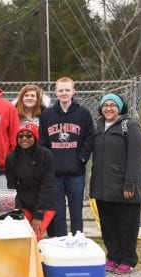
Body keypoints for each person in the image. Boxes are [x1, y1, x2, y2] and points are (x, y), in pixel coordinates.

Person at [90, 93, 141, 275]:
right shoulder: (98, 126)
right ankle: (113, 256)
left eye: (113, 105)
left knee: (127, 224)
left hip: (124, 186)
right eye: (105, 105)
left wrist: (129, 184)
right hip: (104, 186)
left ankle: (128, 259)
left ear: (120, 107)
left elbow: (135, 158)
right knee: (108, 224)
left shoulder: (130, 125)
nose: (109, 108)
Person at [39, 77, 94, 237]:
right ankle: (62, 242)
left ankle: (78, 241)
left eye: (67, 90)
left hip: (76, 173)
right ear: (55, 92)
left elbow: (88, 140)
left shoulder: (83, 113)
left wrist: (81, 160)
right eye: (61, 90)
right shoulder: (47, 115)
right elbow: (42, 143)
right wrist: (50, 165)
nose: (64, 93)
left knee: (77, 212)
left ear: (73, 91)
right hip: (54, 173)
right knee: (58, 213)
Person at [5, 122, 56, 241]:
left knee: (33, 238)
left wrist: (38, 214)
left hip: (44, 206)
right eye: (20, 136)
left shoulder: (46, 155)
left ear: (35, 137)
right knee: (21, 237)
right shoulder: (11, 158)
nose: (24, 138)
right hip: (24, 206)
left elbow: (47, 186)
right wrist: (18, 211)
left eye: (28, 135)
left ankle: (39, 259)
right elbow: (12, 186)